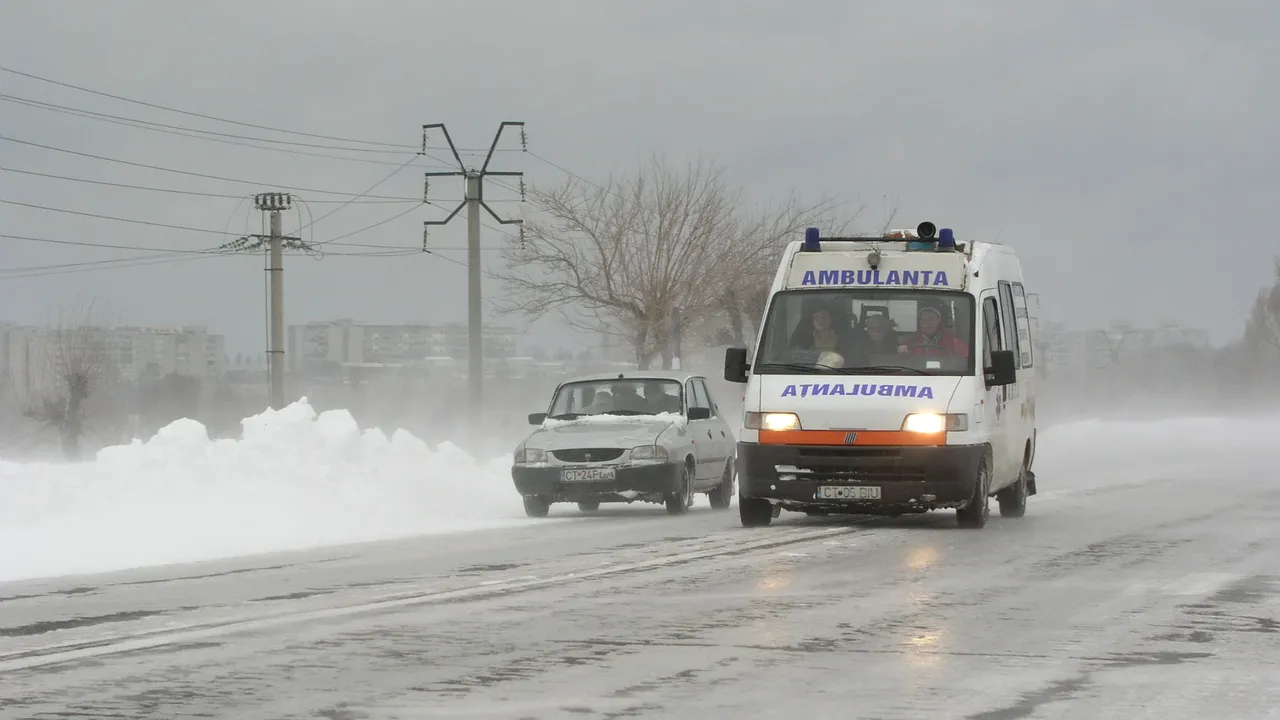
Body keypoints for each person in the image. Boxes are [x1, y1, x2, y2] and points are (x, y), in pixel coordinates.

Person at [790, 302, 862, 367]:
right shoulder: (804, 338)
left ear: (831, 319)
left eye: (824, 317)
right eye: (816, 317)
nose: (820, 320)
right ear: (812, 321)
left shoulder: (844, 338)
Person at [899, 305, 970, 357]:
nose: (927, 323)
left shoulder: (955, 343)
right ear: (919, 322)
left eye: (931, 319)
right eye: (923, 319)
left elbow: (967, 360)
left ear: (939, 320)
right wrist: (902, 351)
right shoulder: (909, 344)